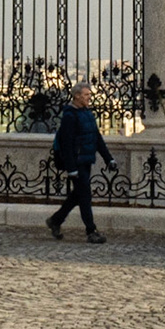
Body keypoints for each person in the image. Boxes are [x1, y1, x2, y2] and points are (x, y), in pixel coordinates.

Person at [47, 83, 117, 244]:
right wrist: (71, 168)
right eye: (86, 95)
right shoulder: (70, 116)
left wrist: (109, 159)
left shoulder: (87, 114)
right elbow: (66, 144)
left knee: (77, 195)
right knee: (84, 195)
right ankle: (91, 230)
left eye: (89, 95)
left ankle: (55, 220)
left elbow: (97, 138)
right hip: (77, 162)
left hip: (86, 160)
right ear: (77, 96)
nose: (89, 98)